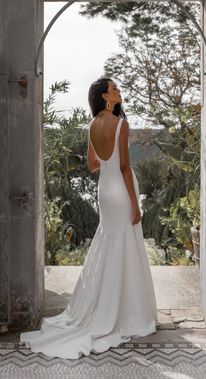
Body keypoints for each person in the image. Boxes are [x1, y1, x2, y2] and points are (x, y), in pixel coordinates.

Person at [19, 76, 159, 359]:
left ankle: (103, 306)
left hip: (104, 191)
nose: (119, 90)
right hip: (120, 190)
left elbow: (94, 164)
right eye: (115, 88)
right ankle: (125, 311)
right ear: (106, 97)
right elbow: (123, 165)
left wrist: (104, 155)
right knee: (124, 246)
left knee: (109, 243)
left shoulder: (93, 124)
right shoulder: (120, 123)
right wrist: (135, 204)